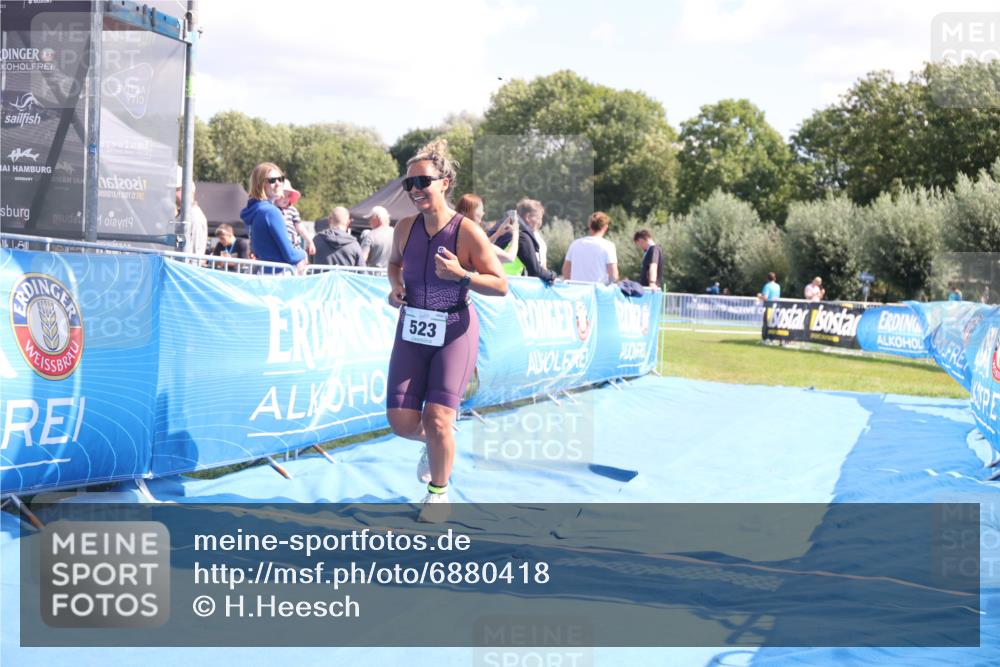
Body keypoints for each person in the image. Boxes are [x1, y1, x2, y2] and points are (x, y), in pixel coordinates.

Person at [385, 139, 508, 520]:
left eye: (423, 181)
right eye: (409, 184)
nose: (416, 190)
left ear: (446, 182)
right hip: (412, 329)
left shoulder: (466, 231)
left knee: (439, 418)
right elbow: (394, 263)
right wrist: (396, 287)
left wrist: (462, 274)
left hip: (454, 329)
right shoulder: (404, 228)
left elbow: (501, 285)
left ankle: (438, 492)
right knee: (402, 422)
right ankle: (438, 443)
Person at [239, 162, 307, 273]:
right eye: (272, 181)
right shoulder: (271, 212)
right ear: (260, 185)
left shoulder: (254, 210)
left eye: (280, 179)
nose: (278, 184)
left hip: (263, 274)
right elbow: (291, 255)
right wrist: (303, 253)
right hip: (278, 278)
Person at [494, 198, 555, 283]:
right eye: (539, 218)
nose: (540, 222)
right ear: (528, 217)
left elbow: (541, 266)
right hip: (509, 283)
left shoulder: (506, 231)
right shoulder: (522, 236)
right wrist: (552, 276)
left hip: (506, 281)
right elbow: (535, 270)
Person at [455, 193, 519, 266]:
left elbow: (480, 245)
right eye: (481, 210)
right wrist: (516, 231)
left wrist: (497, 234)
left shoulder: (457, 232)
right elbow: (510, 258)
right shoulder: (473, 235)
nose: (483, 213)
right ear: (468, 212)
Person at [563, 212, 619, 284]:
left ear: (589, 226)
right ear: (605, 227)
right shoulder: (609, 246)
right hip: (597, 292)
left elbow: (566, 270)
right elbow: (613, 275)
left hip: (576, 291)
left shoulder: (574, 244)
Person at [276, 179, 316, 258]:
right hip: (278, 245)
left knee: (301, 260)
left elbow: (300, 227)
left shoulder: (292, 210)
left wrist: (310, 242)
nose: (286, 199)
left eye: (288, 196)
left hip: (293, 245)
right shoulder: (272, 210)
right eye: (283, 195)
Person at [176, 166, 208, 260]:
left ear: (187, 190)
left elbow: (194, 255)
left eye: (176, 190)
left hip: (183, 272)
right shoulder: (184, 215)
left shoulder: (195, 217)